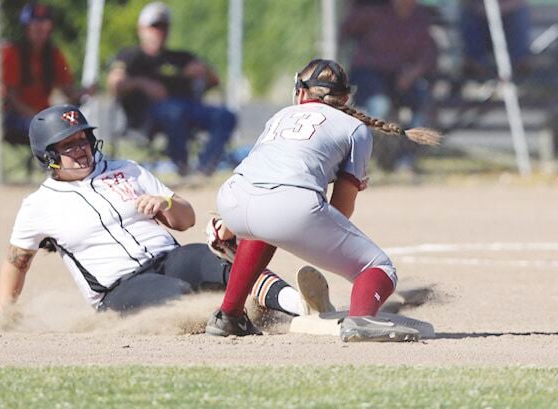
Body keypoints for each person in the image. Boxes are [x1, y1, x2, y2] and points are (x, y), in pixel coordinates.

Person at [0, 104, 330, 320]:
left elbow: (187, 220)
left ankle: (298, 305)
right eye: (68, 145)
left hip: (170, 257)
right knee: (179, 295)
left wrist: (166, 204)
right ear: (48, 155)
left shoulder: (127, 169)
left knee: (223, 264)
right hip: (119, 290)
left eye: (83, 140)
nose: (81, 150)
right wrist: (3, 317)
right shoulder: (38, 206)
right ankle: (238, 316)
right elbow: (17, 263)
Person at [204, 59, 441, 342]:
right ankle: (362, 319)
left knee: (263, 225)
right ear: (345, 98)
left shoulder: (280, 116)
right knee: (379, 268)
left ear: (302, 92)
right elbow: (341, 209)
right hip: (288, 208)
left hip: (231, 197)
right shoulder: (355, 128)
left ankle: (228, 314)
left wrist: (230, 227)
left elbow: (259, 178)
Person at [107, 2, 236, 177]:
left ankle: (203, 169)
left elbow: (215, 80)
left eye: (164, 26)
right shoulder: (131, 55)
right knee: (174, 110)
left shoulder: (181, 57)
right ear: (141, 29)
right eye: (154, 26)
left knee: (226, 115)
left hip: (188, 108)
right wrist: (142, 83)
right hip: (148, 116)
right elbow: (115, 83)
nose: (160, 31)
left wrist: (203, 70)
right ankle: (182, 166)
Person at [341, 0, 437, 171]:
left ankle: (405, 160)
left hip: (400, 76)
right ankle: (367, 159)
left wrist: (412, 73)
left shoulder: (419, 16)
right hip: (369, 74)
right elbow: (346, 29)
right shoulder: (374, 12)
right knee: (380, 107)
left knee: (423, 102)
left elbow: (428, 54)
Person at [1, 3, 87, 143]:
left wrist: (86, 91)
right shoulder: (13, 52)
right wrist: (39, 117)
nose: (40, 29)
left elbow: (68, 90)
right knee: (52, 130)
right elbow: (12, 98)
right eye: (35, 25)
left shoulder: (53, 54)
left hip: (44, 115)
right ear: (26, 28)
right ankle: (55, 162)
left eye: (44, 25)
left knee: (73, 125)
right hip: (15, 117)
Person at [459, 0, 531, 77]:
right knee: (469, 16)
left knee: (519, 16)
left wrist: (498, 9)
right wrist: (483, 9)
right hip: (480, 18)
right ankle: (475, 66)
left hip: (508, 19)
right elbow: (464, 2)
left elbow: (520, 2)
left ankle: (519, 64)